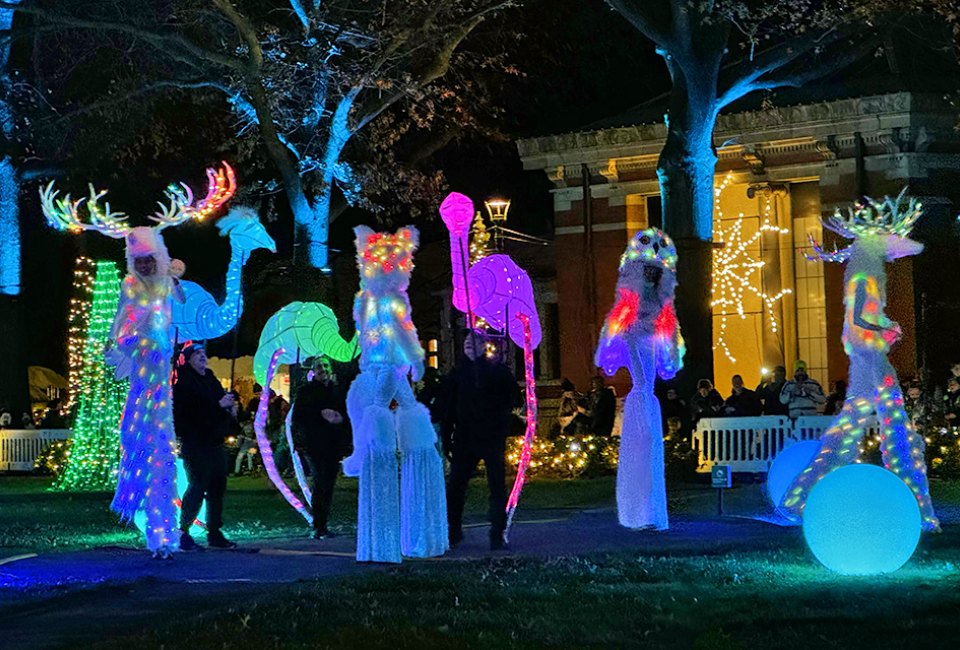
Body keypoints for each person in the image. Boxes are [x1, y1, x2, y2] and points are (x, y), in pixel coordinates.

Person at [443, 332, 520, 550]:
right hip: (466, 438)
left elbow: (513, 398)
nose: (468, 345)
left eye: (474, 342)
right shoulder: (458, 373)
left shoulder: (496, 370)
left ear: (482, 346)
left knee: (496, 486)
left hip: (491, 437)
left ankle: (497, 532)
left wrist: (496, 378)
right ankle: (453, 529)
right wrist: (447, 437)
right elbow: (450, 407)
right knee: (456, 485)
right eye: (466, 342)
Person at [173, 342, 237, 550]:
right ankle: (183, 531)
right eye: (197, 354)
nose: (202, 356)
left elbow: (219, 402)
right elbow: (190, 412)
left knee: (217, 486)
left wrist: (229, 409)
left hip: (214, 441)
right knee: (198, 484)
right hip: (195, 442)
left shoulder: (209, 377)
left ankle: (215, 532)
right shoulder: (183, 382)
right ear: (188, 359)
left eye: (203, 353)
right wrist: (218, 405)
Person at [292, 356, 350, 539]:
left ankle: (322, 522)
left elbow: (347, 415)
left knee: (329, 484)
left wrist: (339, 419)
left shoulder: (338, 391)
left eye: (325, 365)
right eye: (318, 366)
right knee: (321, 482)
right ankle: (319, 524)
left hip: (333, 445)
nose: (322, 369)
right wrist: (319, 415)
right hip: (314, 444)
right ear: (313, 371)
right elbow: (298, 418)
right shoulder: (306, 392)